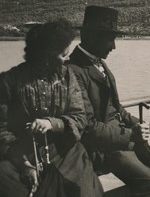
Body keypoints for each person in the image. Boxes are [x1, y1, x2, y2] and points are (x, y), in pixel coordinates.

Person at [68, 6, 150, 197]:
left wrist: (140, 127)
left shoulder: (98, 63)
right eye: (111, 39)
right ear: (91, 36)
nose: (114, 46)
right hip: (104, 146)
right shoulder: (74, 70)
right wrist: (132, 135)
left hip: (125, 136)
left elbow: (117, 109)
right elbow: (89, 128)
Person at [0, 20, 103, 197]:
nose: (66, 60)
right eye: (63, 55)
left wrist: (52, 123)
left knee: (83, 189)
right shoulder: (9, 81)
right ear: (46, 55)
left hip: (65, 152)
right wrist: (24, 164)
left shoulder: (66, 76)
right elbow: (2, 128)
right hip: (20, 154)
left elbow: (79, 117)